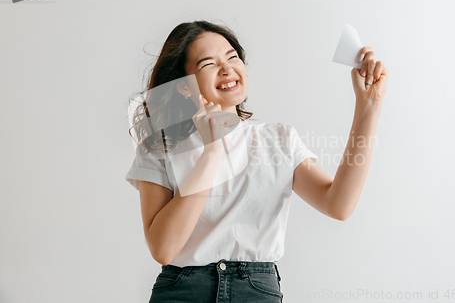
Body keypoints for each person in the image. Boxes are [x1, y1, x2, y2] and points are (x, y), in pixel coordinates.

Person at [125, 20, 389, 303]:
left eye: (232, 57)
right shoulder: (160, 147)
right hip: (182, 291)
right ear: (185, 88)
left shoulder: (278, 138)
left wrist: (368, 106)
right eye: (207, 64)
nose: (227, 69)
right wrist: (212, 152)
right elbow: (163, 249)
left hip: (255, 291)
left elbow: (339, 205)